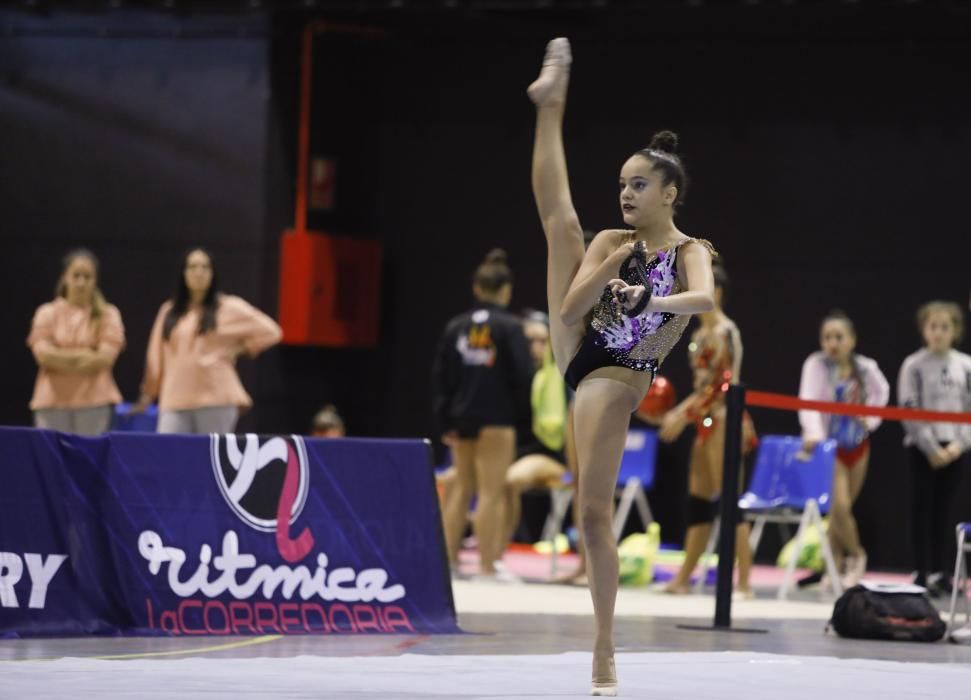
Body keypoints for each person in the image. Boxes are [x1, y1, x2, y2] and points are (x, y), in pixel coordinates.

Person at [528, 37, 716, 696]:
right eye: (621, 184)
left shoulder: (689, 249)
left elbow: (704, 298)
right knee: (562, 224)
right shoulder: (615, 241)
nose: (626, 193)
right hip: (581, 346)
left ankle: (603, 646)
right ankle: (550, 104)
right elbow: (574, 304)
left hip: (618, 370)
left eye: (638, 184)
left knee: (590, 515)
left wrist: (649, 295)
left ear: (670, 192)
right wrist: (608, 266)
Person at [431, 249, 534, 579]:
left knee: (462, 487)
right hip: (497, 418)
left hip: (462, 418)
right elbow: (523, 376)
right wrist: (522, 419)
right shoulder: (510, 327)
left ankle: (447, 562)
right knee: (490, 491)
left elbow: (441, 378)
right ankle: (488, 566)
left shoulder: (455, 327)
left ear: (476, 288)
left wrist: (445, 420)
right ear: (506, 290)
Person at [656, 263, 756, 597]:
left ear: (717, 293)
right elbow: (702, 387)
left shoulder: (726, 332)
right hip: (705, 420)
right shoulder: (698, 336)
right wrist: (682, 412)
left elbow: (724, 385)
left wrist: (683, 413)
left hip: (726, 419)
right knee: (698, 499)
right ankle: (683, 578)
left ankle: (744, 582)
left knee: (729, 500)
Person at [134, 247, 282, 434]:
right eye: (193, 266)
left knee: (211, 459)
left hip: (216, 398)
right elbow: (155, 356)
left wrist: (242, 348)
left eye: (205, 267)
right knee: (170, 457)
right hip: (175, 398)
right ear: (184, 273)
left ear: (213, 273)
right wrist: (148, 393)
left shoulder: (228, 307)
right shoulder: (169, 311)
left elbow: (271, 331)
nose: (199, 272)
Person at [798, 310, 889, 588]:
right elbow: (808, 399)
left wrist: (870, 419)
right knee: (839, 506)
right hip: (830, 446)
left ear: (852, 340)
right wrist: (815, 434)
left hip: (859, 445)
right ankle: (857, 556)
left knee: (842, 511)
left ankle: (833, 567)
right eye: (826, 337)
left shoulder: (866, 368)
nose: (832, 343)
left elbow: (881, 393)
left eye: (838, 337)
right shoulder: (816, 365)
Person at [898, 301, 971, 596]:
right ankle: (921, 570)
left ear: (955, 331)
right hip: (922, 448)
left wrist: (959, 444)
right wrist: (930, 447)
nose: (939, 333)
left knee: (947, 510)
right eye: (933, 327)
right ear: (923, 330)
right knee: (922, 509)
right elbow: (909, 406)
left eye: (945, 327)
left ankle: (942, 572)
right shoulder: (913, 365)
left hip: (956, 446)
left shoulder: (966, 365)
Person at [27, 249, 125, 435]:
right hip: (51, 403)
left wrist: (61, 357)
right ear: (65, 277)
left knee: (87, 460)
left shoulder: (108, 314)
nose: (81, 282)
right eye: (76, 275)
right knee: (52, 461)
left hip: (95, 402)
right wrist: (86, 354)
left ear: (95, 280)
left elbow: (104, 358)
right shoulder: (46, 313)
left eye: (87, 277)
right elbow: (44, 356)